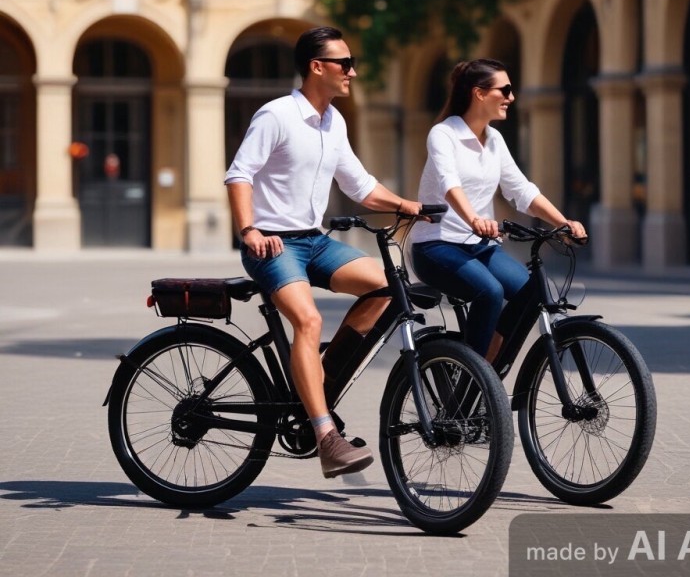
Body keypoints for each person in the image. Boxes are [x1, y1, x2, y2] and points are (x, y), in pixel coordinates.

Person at [225, 26, 421, 479]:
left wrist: (405, 204)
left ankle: (320, 382)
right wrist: (248, 229)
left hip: (312, 241)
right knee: (309, 321)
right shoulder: (276, 115)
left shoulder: (335, 121)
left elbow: (360, 186)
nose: (353, 71)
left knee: (389, 287)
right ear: (317, 67)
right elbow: (239, 174)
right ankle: (325, 435)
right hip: (272, 243)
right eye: (345, 63)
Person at [411, 58, 586, 363]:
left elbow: (521, 189)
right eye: (504, 90)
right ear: (479, 93)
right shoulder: (444, 134)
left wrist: (563, 222)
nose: (511, 97)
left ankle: (491, 362)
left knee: (533, 291)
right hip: (436, 245)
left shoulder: (494, 139)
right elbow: (450, 184)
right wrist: (475, 219)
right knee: (490, 292)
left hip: (479, 245)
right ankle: (473, 374)